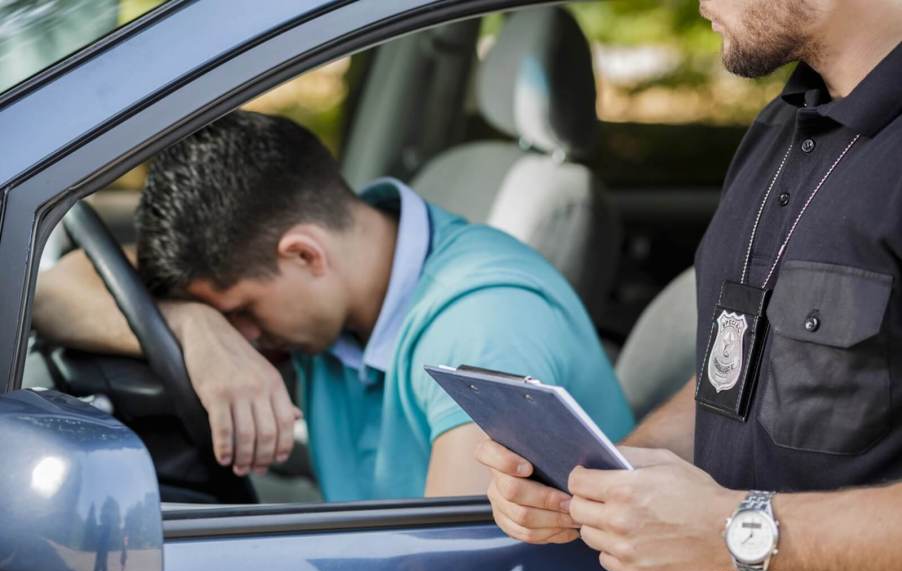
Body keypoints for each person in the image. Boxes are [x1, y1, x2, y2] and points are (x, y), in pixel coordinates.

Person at [476, 0, 902, 571]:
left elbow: (719, 526)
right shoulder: (781, 127)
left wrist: (730, 530)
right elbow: (738, 379)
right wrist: (599, 480)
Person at [34, 110, 634, 501]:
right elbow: (53, 293)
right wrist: (195, 327)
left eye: (241, 311)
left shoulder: (481, 326)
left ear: (305, 255)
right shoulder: (339, 280)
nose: (241, 336)